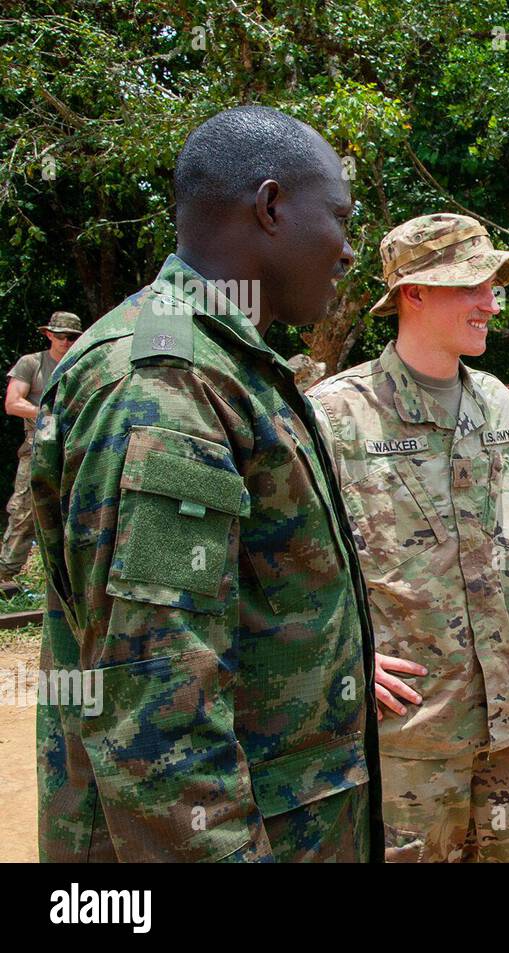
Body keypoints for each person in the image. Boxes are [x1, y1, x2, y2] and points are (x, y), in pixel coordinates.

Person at [31, 105, 383, 862]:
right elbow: (156, 710)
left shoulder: (226, 368)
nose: (348, 250)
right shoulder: (164, 381)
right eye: (340, 218)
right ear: (270, 206)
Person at [310, 213, 509, 862]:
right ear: (412, 293)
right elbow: (281, 570)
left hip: (505, 734)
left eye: (492, 285)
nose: (490, 301)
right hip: (404, 751)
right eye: (469, 285)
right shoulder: (335, 416)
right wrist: (341, 661)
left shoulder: (499, 408)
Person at [0, 312, 81, 592]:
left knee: (75, 511)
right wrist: (49, 416)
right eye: (60, 336)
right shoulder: (32, 364)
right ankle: (5, 576)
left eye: (72, 337)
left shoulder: (82, 366)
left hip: (75, 446)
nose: (66, 342)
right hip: (39, 446)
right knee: (24, 511)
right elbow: (13, 403)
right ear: (48, 335)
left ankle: (68, 581)